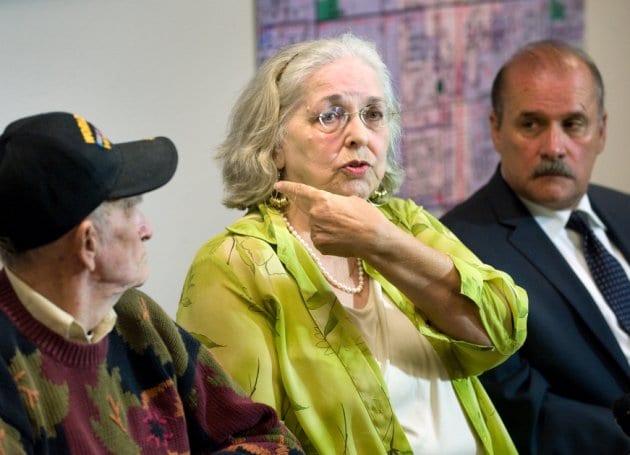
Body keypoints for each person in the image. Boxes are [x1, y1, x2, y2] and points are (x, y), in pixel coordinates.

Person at [176, 33, 528, 454]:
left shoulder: (406, 223)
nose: (359, 135)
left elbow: (504, 331)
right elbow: (244, 441)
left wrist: (383, 243)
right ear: (273, 146)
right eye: (330, 116)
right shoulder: (234, 263)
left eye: (373, 114)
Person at [0, 112, 303, 454]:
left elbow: (271, 439)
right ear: (88, 244)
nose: (147, 229)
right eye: (130, 209)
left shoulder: (136, 317)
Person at [440, 40, 630, 454]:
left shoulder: (624, 209)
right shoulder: (459, 248)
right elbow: (522, 407)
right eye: (531, 124)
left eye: (573, 124)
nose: (554, 147)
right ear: (496, 128)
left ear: (601, 130)